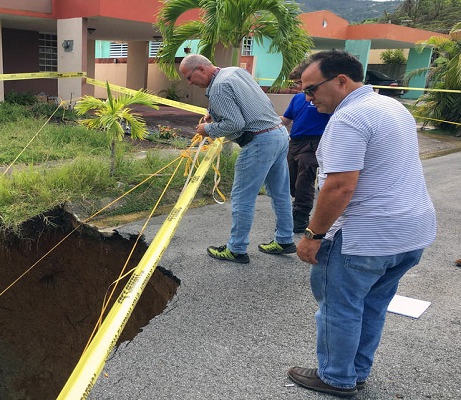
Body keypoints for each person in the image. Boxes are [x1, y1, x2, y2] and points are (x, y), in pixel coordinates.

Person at [289, 50, 437, 397]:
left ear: (341, 80)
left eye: (311, 90)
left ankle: (335, 377)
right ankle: (356, 371)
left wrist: (312, 235)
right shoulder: (393, 108)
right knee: (372, 305)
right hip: (411, 233)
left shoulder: (349, 118)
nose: (308, 100)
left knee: (339, 307)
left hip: (365, 237)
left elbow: (340, 187)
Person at [179, 54, 295, 264]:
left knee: (243, 197)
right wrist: (214, 112)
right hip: (279, 134)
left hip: (259, 141)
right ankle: (285, 240)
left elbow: (235, 125)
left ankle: (236, 249)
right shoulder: (235, 72)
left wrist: (208, 129)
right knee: (280, 192)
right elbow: (246, 103)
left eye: (189, 77)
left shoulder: (219, 87)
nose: (189, 83)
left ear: (201, 70)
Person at [281, 62, 331, 232]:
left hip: (313, 143)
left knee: (304, 182)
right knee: (290, 180)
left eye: (299, 83)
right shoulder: (297, 98)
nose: (297, 87)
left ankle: (301, 218)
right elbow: (286, 120)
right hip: (294, 142)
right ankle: (295, 209)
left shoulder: (322, 99)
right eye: (295, 84)